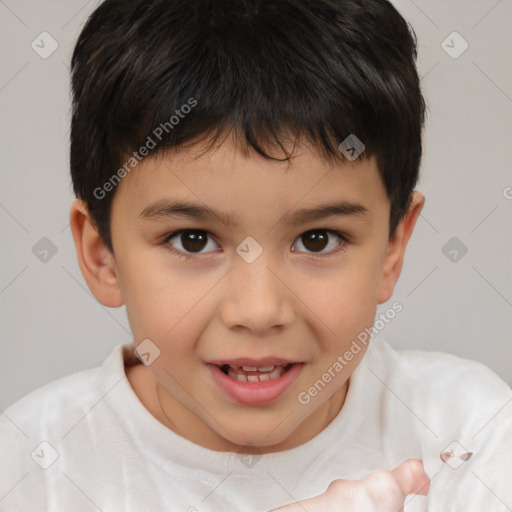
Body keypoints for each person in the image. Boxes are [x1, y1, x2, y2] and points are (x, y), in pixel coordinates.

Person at [1, 0, 510, 510]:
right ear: (102, 255)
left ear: (391, 250)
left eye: (318, 239)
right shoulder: (29, 465)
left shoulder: (471, 437)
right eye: (193, 240)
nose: (259, 311)